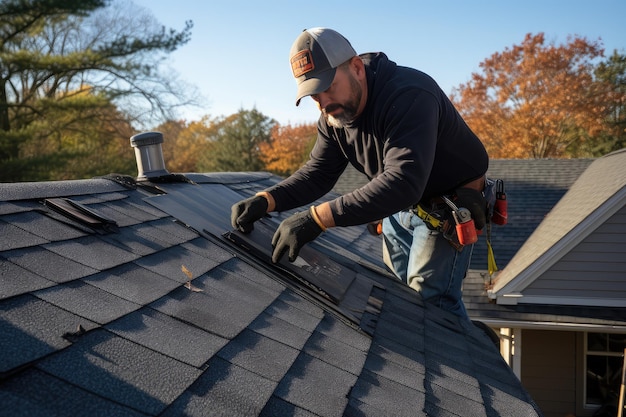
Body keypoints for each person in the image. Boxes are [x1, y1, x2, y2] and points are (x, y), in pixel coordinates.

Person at [231, 27, 489, 318]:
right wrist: (267, 199)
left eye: (329, 87)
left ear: (356, 68)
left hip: (447, 206)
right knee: (402, 300)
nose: (324, 102)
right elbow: (319, 173)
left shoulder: (410, 95)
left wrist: (317, 218)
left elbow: (403, 181)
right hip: (399, 207)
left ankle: (464, 352)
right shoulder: (332, 117)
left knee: (433, 308)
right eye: (314, 95)